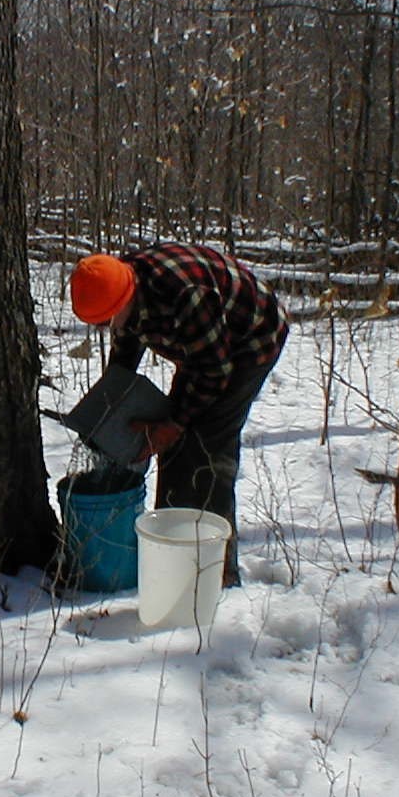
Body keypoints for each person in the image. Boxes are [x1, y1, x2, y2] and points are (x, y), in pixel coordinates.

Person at [69, 243, 288, 587]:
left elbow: (214, 371)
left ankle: (216, 572)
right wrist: (108, 408)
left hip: (251, 340)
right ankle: (174, 550)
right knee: (177, 449)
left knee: (208, 448)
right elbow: (125, 353)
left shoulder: (186, 293)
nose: (105, 328)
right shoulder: (119, 284)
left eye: (107, 321)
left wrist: (172, 425)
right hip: (204, 348)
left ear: (126, 297)